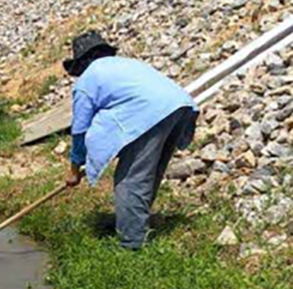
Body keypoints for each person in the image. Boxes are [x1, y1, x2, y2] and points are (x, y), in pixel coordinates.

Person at [62, 31, 199, 250]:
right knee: (148, 174)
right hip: (179, 106)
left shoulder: (87, 80)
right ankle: (132, 223)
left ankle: (131, 244)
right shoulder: (126, 65)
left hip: (149, 114)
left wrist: (73, 169)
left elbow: (79, 130)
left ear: (82, 63)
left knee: (130, 181)